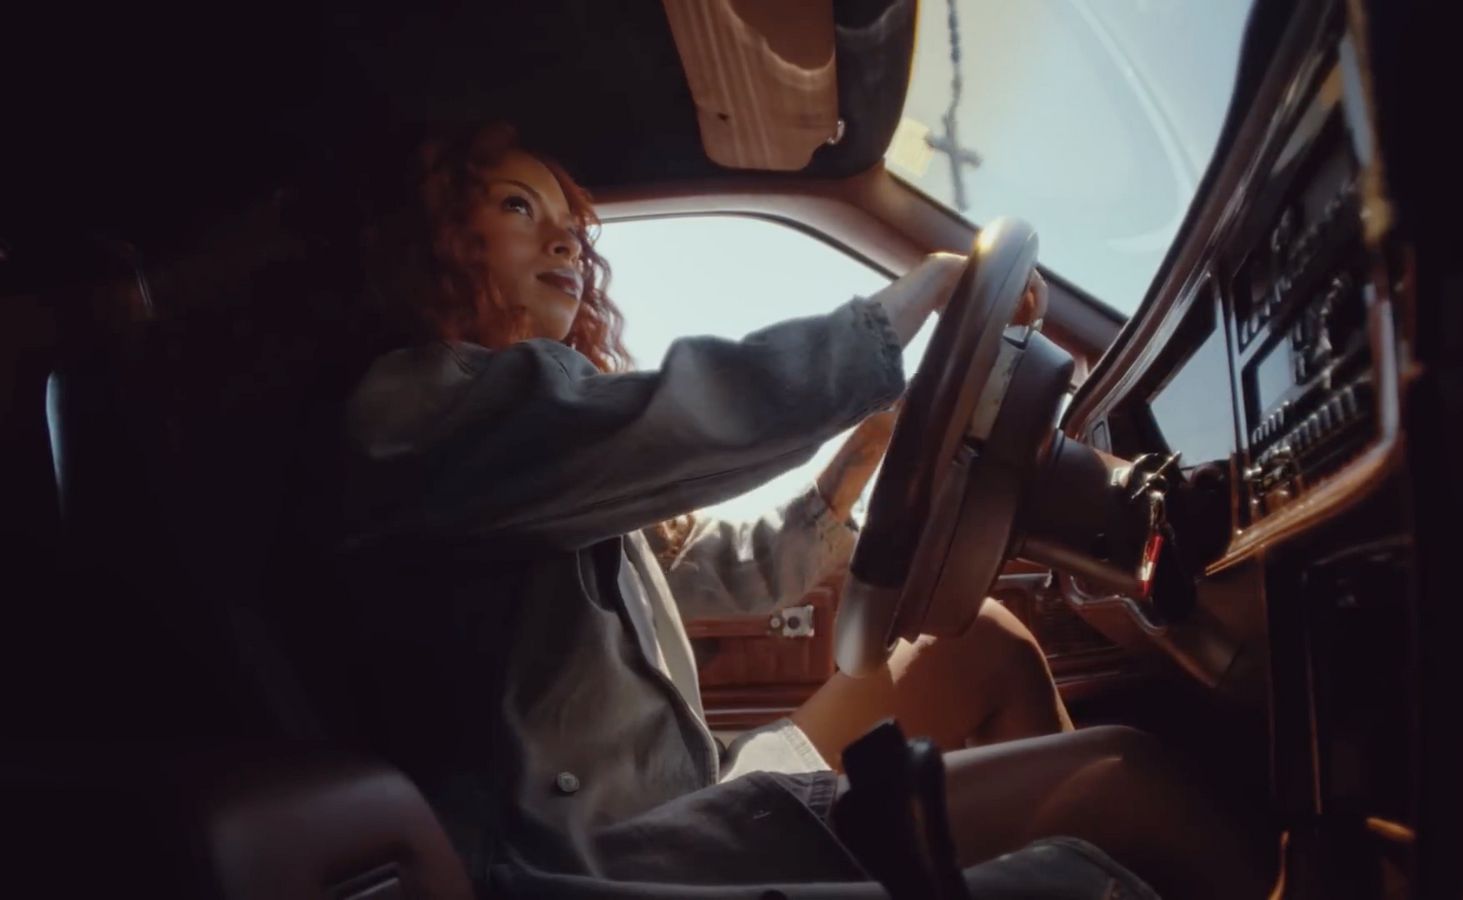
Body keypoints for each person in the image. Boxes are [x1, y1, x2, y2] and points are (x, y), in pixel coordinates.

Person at [332, 121, 1265, 898]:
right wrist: (907, 306)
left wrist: (854, 467)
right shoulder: (409, 414)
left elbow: (701, 567)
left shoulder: (536, 436)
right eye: (515, 208)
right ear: (439, 241)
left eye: (571, 221)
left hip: (681, 794)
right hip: (594, 863)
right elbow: (682, 420)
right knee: (1120, 787)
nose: (568, 241)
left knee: (978, 637)